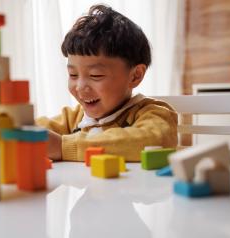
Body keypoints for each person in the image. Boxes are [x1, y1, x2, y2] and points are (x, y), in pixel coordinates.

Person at [36, 4, 178, 162]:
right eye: (73, 74)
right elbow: (37, 130)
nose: (80, 87)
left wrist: (64, 147)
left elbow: (155, 140)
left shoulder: (153, 113)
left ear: (135, 76)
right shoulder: (75, 118)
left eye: (96, 75)